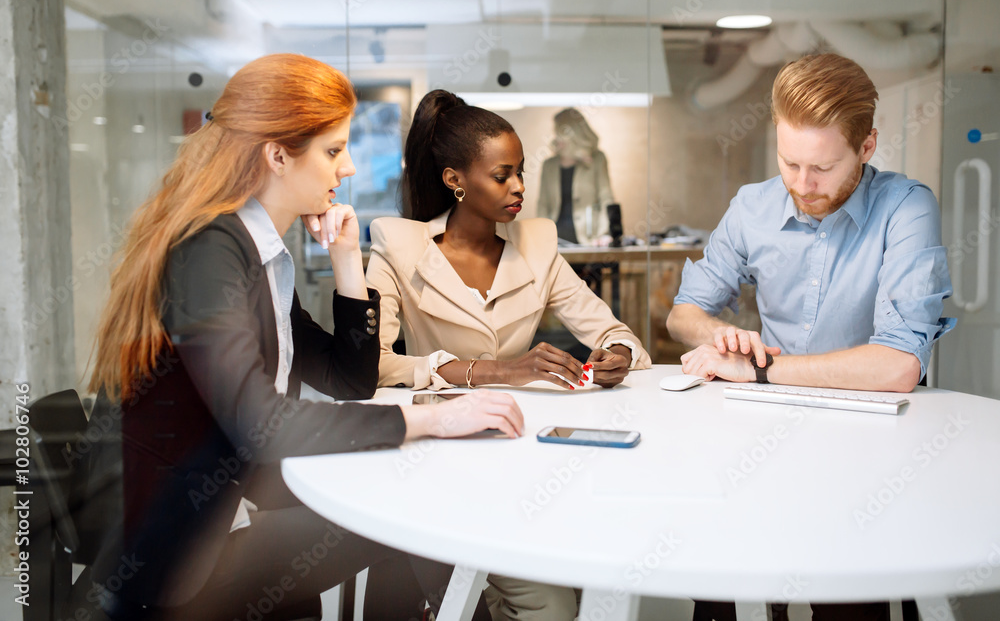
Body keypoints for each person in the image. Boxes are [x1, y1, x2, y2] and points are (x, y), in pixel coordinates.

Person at [83, 54, 522, 621]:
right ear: (277, 156)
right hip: (182, 554)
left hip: (233, 506)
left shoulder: (259, 250)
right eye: (334, 150)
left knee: (401, 511)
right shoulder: (212, 250)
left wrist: (345, 260)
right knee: (404, 519)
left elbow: (349, 378)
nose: (350, 169)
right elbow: (261, 424)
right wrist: (431, 418)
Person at [668, 53, 954, 621]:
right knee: (718, 582)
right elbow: (684, 314)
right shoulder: (752, 206)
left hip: (867, 444)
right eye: (789, 162)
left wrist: (764, 370)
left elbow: (897, 366)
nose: (802, 184)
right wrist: (728, 339)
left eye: (822, 168)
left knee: (847, 599)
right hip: (761, 434)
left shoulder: (907, 208)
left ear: (867, 147)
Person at [364, 89, 652, 620]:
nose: (519, 186)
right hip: (440, 461)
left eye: (521, 172)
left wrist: (616, 354)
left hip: (529, 456)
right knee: (550, 605)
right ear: (455, 179)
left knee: (599, 576)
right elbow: (371, 365)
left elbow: (616, 332)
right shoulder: (398, 247)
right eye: (503, 176)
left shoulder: (537, 244)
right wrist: (490, 371)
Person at [536, 108, 615, 245]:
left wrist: (603, 234)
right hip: (556, 239)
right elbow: (543, 204)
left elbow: (606, 199)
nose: (556, 137)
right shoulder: (549, 165)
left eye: (558, 131)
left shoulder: (596, 159)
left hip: (588, 239)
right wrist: (542, 236)